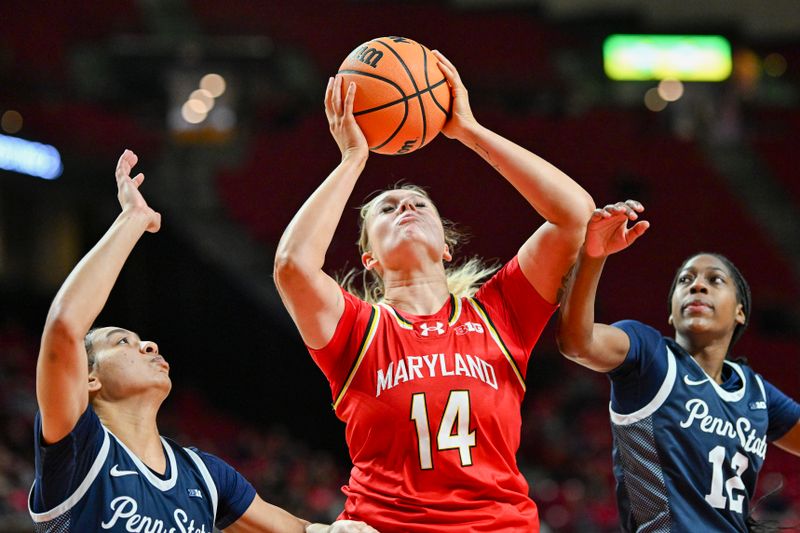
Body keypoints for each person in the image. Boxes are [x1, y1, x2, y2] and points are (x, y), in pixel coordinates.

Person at [273, 50, 595, 532]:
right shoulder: (357, 330)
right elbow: (292, 266)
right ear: (370, 259)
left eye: (418, 203)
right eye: (386, 209)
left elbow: (575, 214)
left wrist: (468, 130)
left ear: (447, 246)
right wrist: (353, 158)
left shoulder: (499, 312)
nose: (404, 207)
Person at [29, 150, 379, 533]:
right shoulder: (78, 452)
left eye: (144, 340)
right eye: (122, 342)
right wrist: (132, 220)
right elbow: (64, 328)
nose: (149, 346)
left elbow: (296, 530)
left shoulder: (204, 476)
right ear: (89, 378)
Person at [556, 200, 800, 532]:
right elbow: (577, 343)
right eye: (685, 281)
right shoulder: (649, 354)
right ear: (672, 312)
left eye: (715, 280)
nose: (697, 286)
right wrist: (593, 256)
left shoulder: (755, 392)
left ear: (740, 311)